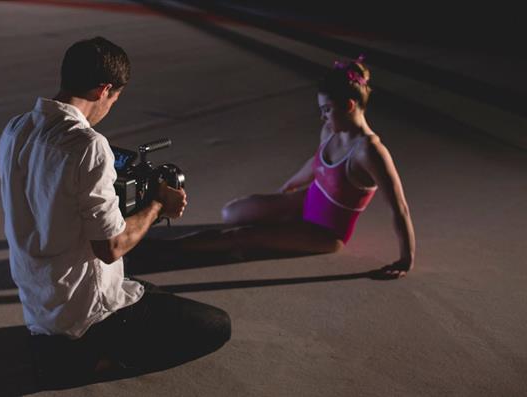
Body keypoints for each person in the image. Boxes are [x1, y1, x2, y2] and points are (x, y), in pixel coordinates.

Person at [0, 37, 230, 385]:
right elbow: (111, 248)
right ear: (104, 89)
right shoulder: (89, 146)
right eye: (115, 98)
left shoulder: (16, 129)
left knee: (150, 291)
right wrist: (157, 205)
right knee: (217, 325)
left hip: (40, 302)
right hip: (86, 314)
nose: (111, 106)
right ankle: (89, 359)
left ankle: (61, 348)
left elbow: (50, 199)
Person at [168, 56, 415, 278]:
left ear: (349, 106)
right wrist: (293, 183)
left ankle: (166, 248)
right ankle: (280, 224)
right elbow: (316, 161)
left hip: (326, 232)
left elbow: (399, 206)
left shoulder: (370, 151)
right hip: (306, 201)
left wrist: (405, 260)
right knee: (231, 213)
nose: (323, 117)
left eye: (327, 110)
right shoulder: (331, 130)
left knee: (242, 236)